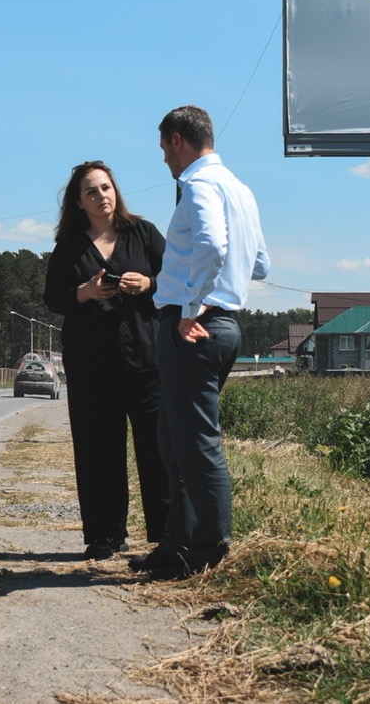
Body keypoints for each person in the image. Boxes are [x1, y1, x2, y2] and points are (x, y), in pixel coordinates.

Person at [134, 105, 269, 581]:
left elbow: (212, 244)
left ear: (176, 140)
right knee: (174, 440)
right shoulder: (241, 189)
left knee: (197, 442)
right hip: (224, 323)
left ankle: (210, 549)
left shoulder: (198, 184)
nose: (165, 161)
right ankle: (175, 546)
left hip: (194, 325)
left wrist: (192, 306)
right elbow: (260, 264)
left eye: (164, 150)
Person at [43, 160, 170, 561]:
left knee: (156, 448)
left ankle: (166, 534)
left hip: (145, 360)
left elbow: (174, 280)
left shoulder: (143, 233)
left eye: (106, 187)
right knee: (98, 450)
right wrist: (84, 292)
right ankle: (104, 536)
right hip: (91, 364)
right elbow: (53, 298)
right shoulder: (70, 247)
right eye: (91, 192)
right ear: (78, 203)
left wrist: (148, 283)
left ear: (116, 190)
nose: (102, 196)